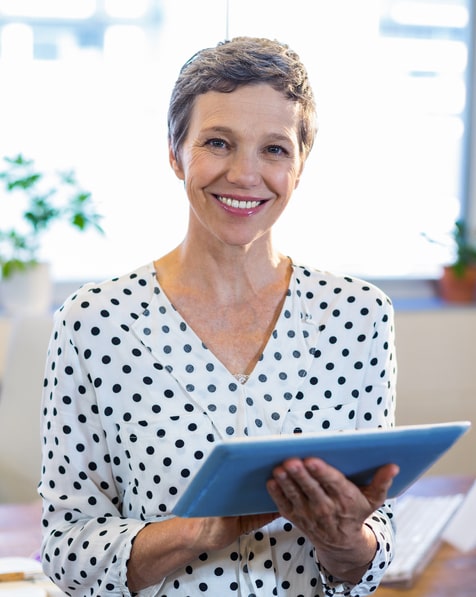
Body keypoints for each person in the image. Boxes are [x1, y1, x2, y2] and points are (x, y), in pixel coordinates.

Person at [39, 36, 399, 597]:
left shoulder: (359, 317)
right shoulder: (94, 322)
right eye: (217, 142)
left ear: (301, 164)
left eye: (275, 149)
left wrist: (345, 544)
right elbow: (66, 550)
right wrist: (199, 531)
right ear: (174, 151)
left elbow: (376, 540)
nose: (244, 174)